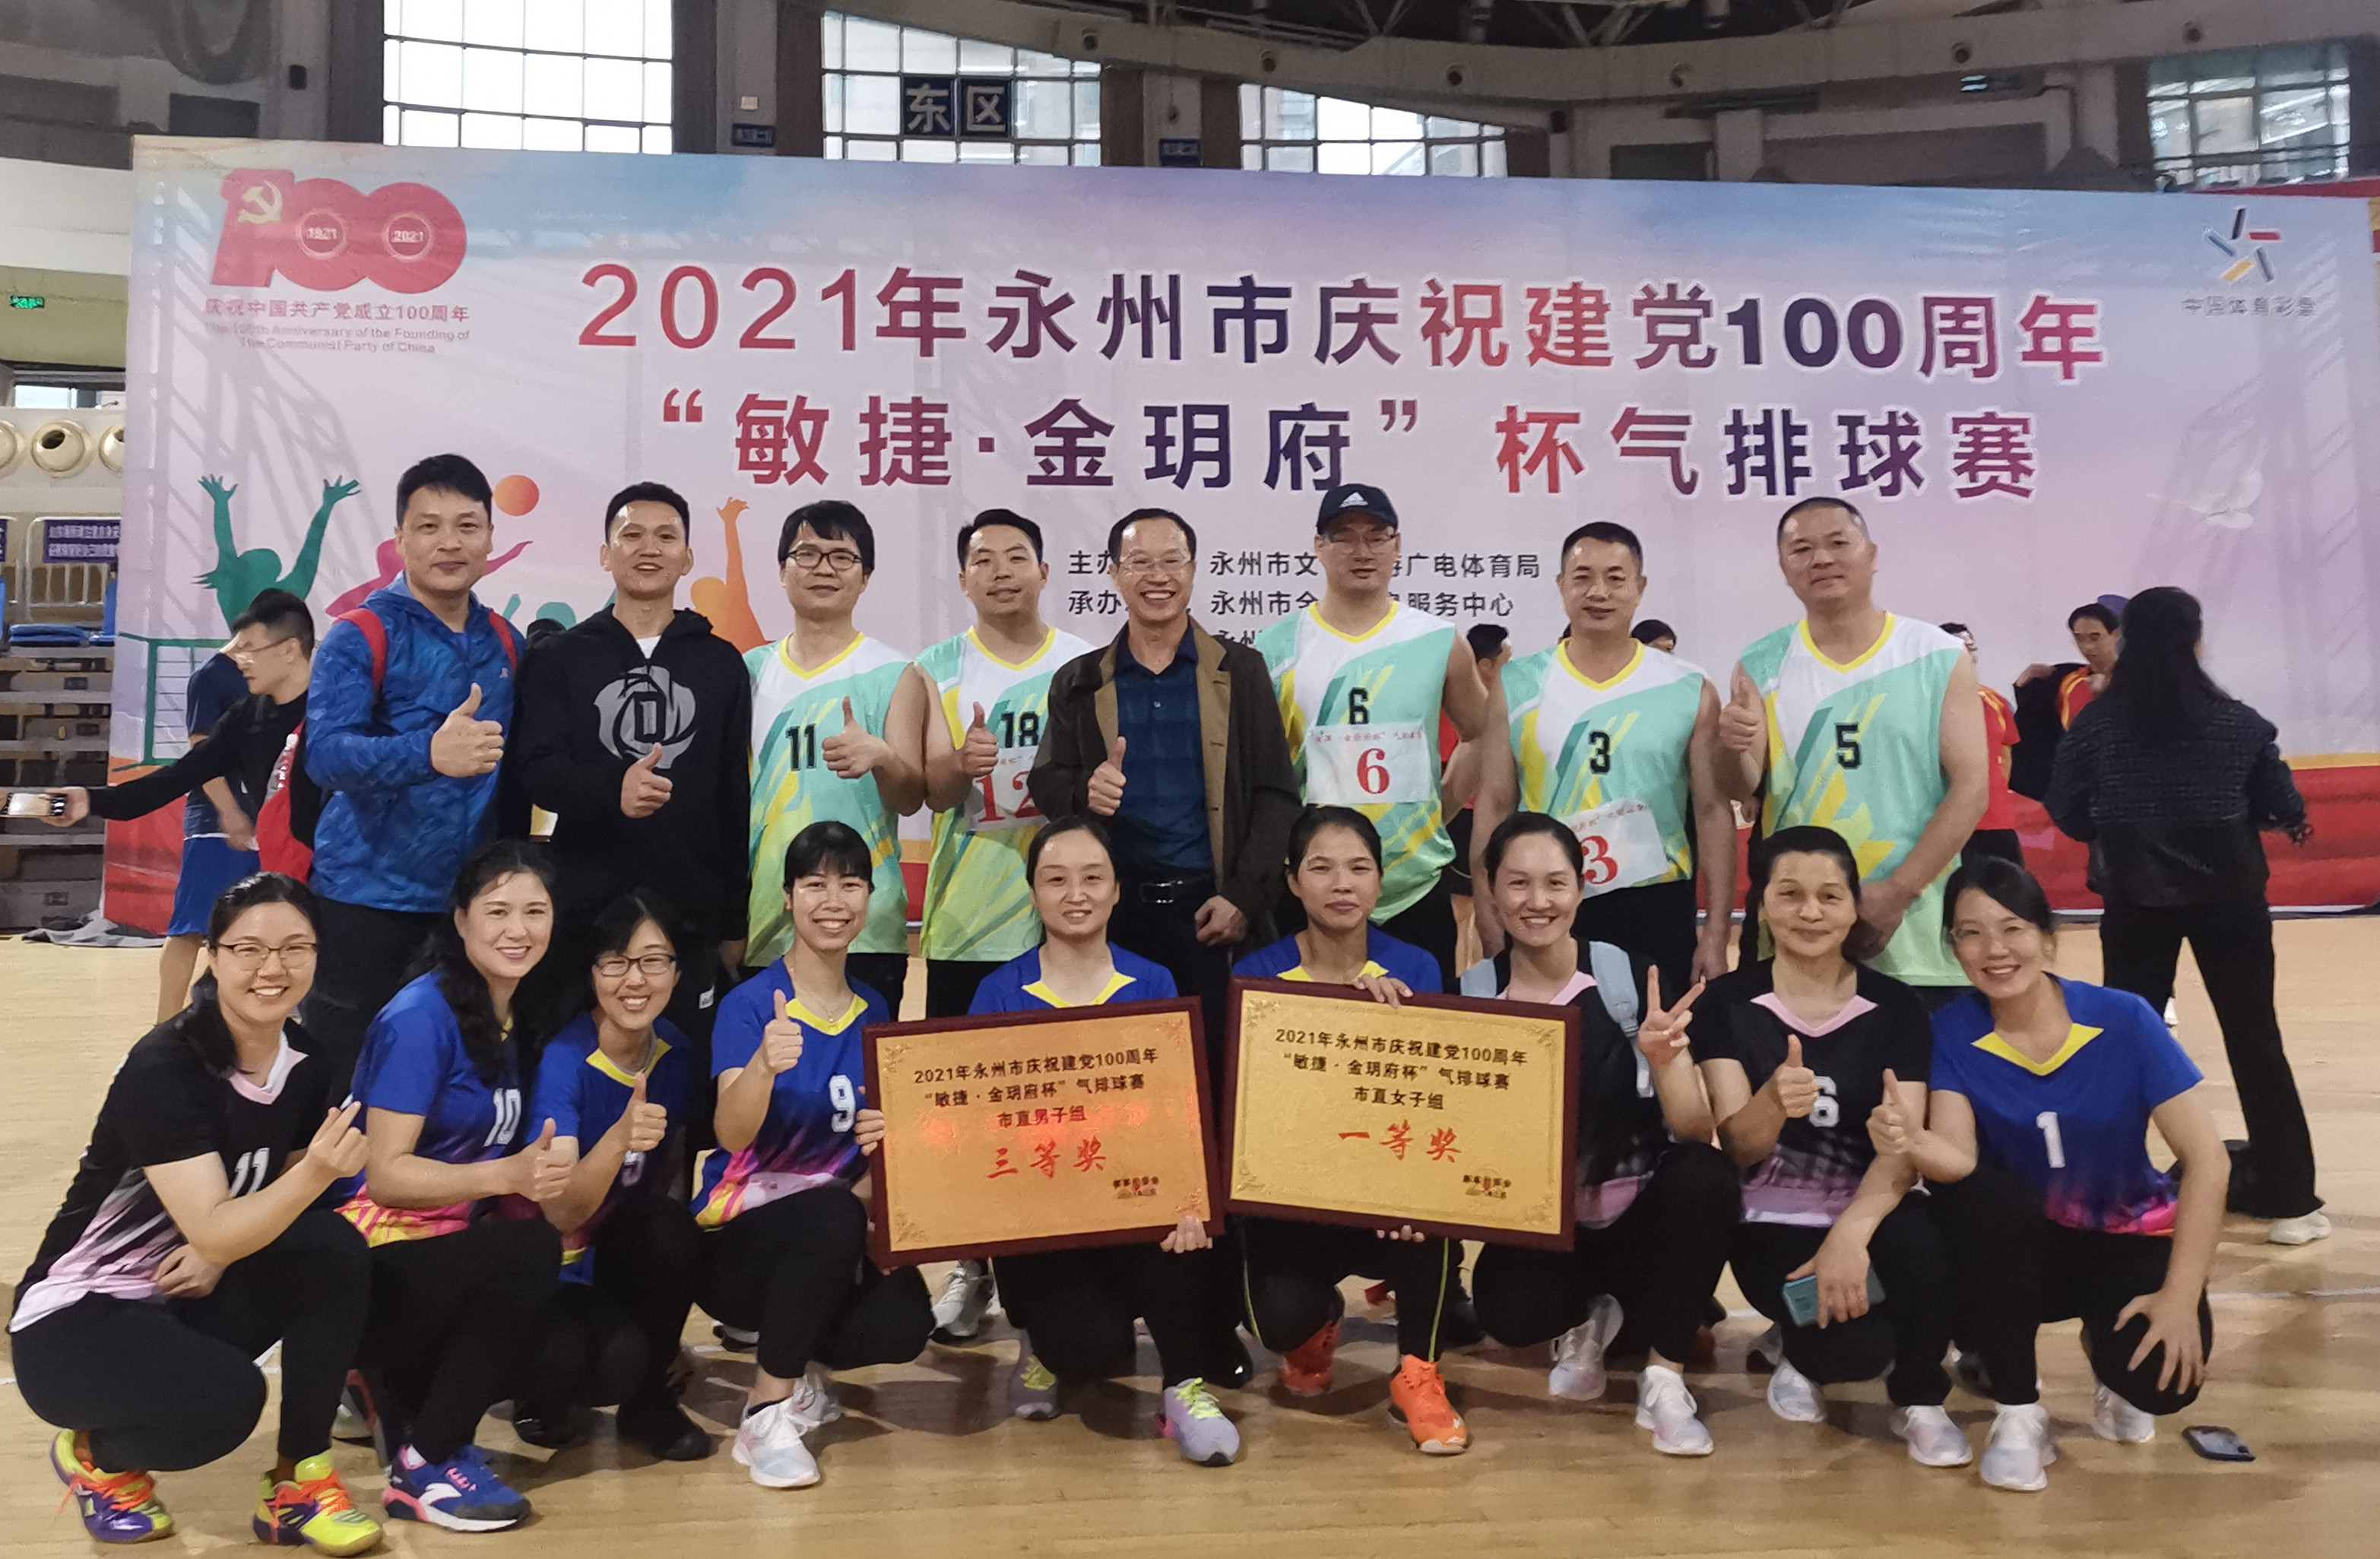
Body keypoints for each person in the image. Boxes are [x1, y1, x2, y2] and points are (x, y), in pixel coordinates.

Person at [13, 873, 382, 1554]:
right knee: (227, 1403)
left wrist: (223, 1248)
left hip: (184, 1283)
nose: (273, 968)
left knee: (332, 1248)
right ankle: (97, 1456)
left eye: (295, 948)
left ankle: (299, 1484)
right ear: (211, 955)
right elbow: (217, 1223)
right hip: (78, 1315)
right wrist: (304, 1182)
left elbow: (268, 1202)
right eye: (249, 949)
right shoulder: (167, 1065)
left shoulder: (306, 1060)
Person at [1886, 856, 2226, 1492]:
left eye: (2011, 928)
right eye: (1969, 933)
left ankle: (2105, 1349)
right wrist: (1911, 1140)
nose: (1993, 949)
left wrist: (2180, 1296)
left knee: (2161, 1384)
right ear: (1951, 948)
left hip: (2122, 1234)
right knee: (1979, 1205)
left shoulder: (2124, 1019)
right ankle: (2017, 1407)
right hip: (2019, 1246)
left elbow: (2209, 1159)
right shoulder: (1951, 1031)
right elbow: (1957, 1158)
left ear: (2047, 937)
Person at [2045, 585, 2325, 1244]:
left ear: (2125, 641)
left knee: (2125, 1045)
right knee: (2255, 1040)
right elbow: (2282, 808)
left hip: (2132, 899)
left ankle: (2116, 1189)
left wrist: (2116, 826)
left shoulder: (2096, 725)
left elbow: (2065, 809)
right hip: (2232, 901)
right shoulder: (2239, 723)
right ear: (2196, 641)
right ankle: (2291, 1202)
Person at [957, 816, 1238, 1465]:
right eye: (1056, 879)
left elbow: (1174, 1110)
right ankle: (1037, 1343)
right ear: (1033, 892)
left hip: (1130, 1202)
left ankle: (1183, 1385)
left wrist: (1188, 1193)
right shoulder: (997, 992)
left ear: (1116, 890)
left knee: (1181, 1213)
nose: (1075, 894)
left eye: (1092, 877)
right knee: (1085, 1349)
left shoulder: (1155, 983)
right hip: (1043, 1217)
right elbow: (974, 1127)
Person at [1464, 814, 1740, 1456]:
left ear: (1581, 889)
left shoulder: (1629, 981)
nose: (1538, 901)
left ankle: (1664, 1378)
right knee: (1507, 1311)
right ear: (1492, 891)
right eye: (1518, 883)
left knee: (1706, 1176)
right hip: (1550, 1228)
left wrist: (1665, 1061)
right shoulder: (1474, 994)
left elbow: (1696, 1128)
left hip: (1639, 1221)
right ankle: (1590, 1316)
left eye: (1555, 882)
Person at [1690, 825, 1964, 1469]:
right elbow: (1737, 1149)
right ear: (1762, 904)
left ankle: (1921, 1399)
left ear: (1853, 906)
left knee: (1925, 1237)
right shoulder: (1727, 1002)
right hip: (1772, 1223)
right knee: (1851, 1354)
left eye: (1829, 896)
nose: (1809, 912)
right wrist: (1770, 1102)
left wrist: (1849, 1234)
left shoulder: (1896, 1006)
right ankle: (1799, 1346)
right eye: (1789, 894)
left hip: (1870, 1209)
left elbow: (1902, 1149)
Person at [338, 839, 569, 1532]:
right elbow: (387, 1173)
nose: (517, 928)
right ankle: (426, 1462)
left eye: (535, 911)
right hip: (374, 1255)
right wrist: (505, 1173)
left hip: (444, 1251)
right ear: (461, 918)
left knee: (575, 1351)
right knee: (528, 1249)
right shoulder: (419, 1017)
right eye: (497, 911)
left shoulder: (515, 1015)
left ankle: (390, 1390)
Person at [905, 509, 1093, 1345]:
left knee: (1068, 1107)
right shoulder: (934, 668)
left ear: (1044, 570)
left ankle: (1066, 1263)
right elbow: (927, 792)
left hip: (1064, 925)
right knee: (969, 1113)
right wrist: (959, 764)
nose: (1002, 570)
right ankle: (972, 1267)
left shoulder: (1081, 664)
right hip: (964, 925)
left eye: (1018, 555)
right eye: (983, 559)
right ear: (963, 579)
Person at [700, 821, 933, 1491]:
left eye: (850, 884)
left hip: (831, 1233)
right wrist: (762, 1068)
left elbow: (865, 1161)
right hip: (738, 1241)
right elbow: (731, 1134)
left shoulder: (875, 1007)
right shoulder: (750, 1003)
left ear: (870, 898)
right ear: (787, 897)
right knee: (831, 1214)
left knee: (904, 1321)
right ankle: (765, 1410)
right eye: (814, 884)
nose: (833, 901)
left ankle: (801, 1372)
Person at [1232, 806, 1469, 1456]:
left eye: (1359, 868)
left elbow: (1438, 1098)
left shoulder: (1416, 967)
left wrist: (1396, 1028)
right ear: (1292, 881)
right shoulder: (1256, 973)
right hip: (1299, 1193)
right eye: (1322, 868)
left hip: (1385, 1191)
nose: (1342, 883)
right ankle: (1315, 1326)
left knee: (1429, 1211)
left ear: (1380, 880)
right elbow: (1254, 1104)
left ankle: (1418, 1374)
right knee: (1275, 1320)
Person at [1030, 506, 1301, 1046]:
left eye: (1172, 561)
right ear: (1113, 574)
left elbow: (1276, 795)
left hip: (1212, 912)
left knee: (1216, 1067)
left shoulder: (1241, 670)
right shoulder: (1081, 679)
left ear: (1193, 570)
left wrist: (1243, 897)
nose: (1158, 576)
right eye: (1139, 562)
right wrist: (1085, 792)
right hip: (1112, 915)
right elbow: (1046, 780)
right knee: (1120, 1066)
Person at [508, 482, 753, 1060]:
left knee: (682, 1078)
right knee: (574, 1067)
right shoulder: (559, 658)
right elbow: (534, 770)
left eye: (666, 537)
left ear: (687, 558)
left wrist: (733, 921)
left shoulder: (721, 663)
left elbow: (732, 797)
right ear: (605, 554)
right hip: (584, 909)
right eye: (632, 535)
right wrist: (609, 789)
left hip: (689, 914)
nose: (649, 548)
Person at [1716, 496, 1988, 1007]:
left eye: (1838, 543)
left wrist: (1897, 892)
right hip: (1799, 927)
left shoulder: (1936, 654)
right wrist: (1731, 747)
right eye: (1801, 549)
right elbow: (1743, 786)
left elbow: (1971, 787)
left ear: (1872, 554)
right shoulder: (1760, 662)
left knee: (1918, 1059)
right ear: (1783, 568)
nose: (1820, 559)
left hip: (1916, 928)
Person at [305, 454, 522, 1085]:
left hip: (468, 910)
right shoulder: (360, 634)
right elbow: (326, 755)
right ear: (400, 539)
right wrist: (428, 753)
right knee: (349, 1082)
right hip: (363, 902)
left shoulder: (507, 643)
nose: (449, 542)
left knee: (455, 1079)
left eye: (467, 526)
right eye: (429, 526)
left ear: (490, 537)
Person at [1252, 483, 1511, 990]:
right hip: (1313, 886)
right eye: (1344, 537)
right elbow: (1263, 770)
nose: (1362, 550)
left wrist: (1439, 809)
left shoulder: (1438, 640)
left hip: (1412, 883)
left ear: (1398, 546)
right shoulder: (1276, 646)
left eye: (1376, 536)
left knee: (1416, 1030)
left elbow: (1482, 733)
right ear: (1318, 547)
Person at [510, 889, 711, 1461]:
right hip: (547, 1264)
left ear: (676, 972)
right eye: (616, 962)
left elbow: (669, 1176)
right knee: (601, 1361)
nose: (636, 980)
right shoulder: (566, 1058)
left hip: (613, 1254)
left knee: (672, 1228)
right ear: (592, 971)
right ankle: (538, 1389)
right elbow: (561, 1212)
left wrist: (666, 1326)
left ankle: (650, 1405)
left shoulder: (676, 1050)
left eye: (654, 961)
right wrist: (619, 1136)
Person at [1504, 522, 1738, 997]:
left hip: (1656, 902)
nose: (1599, 592)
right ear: (1561, 585)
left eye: (1615, 578)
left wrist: (1715, 931)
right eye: (1582, 577)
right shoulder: (1518, 683)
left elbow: (1713, 812)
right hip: (1546, 902)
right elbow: (1494, 803)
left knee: (1659, 1033)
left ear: (1640, 587)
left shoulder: (1688, 686)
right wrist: (1491, 917)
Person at [745, 501, 921, 1013]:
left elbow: (911, 797)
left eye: (842, 557)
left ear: (865, 577)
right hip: (766, 918)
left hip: (864, 926)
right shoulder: (749, 670)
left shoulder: (895, 672)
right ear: (782, 570)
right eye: (807, 554)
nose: (824, 568)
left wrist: (883, 757)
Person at [47, 587, 317, 893]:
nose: (240, 662)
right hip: (288, 874)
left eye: (250, 649)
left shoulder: (338, 711)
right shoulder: (245, 720)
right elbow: (175, 779)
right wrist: (90, 800)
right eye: (239, 650)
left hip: (343, 881)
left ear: (289, 650)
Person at [158, 644, 260, 1019]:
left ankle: (234, 1019)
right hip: (217, 824)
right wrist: (228, 810)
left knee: (255, 931)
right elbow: (201, 750)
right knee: (191, 929)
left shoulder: (273, 681)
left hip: (266, 819)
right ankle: (164, 1026)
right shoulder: (212, 676)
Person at [1940, 622, 2023, 866]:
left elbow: (2006, 753)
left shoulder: (1995, 701)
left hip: (1997, 820)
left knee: (2009, 885)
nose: (1969, 656)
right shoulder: (1924, 703)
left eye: (1971, 648)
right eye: (1960, 649)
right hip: (1948, 825)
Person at [2019, 602, 2121, 730]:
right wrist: (2023, 688)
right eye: (2080, 638)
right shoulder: (2070, 681)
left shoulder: (2132, 678)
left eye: (2095, 638)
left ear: (2115, 636)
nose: (2087, 647)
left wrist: (2108, 693)